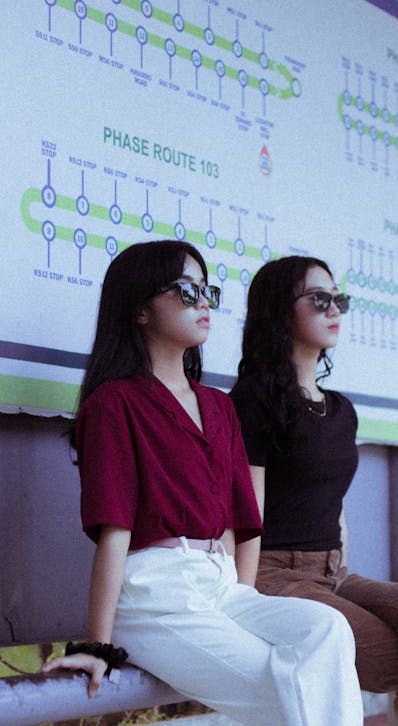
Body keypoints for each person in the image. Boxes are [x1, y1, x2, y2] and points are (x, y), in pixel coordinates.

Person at [41, 240, 363, 726]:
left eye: (207, 291)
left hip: (221, 584)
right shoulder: (114, 403)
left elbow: (239, 523)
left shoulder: (218, 406)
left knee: (327, 629)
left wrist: (242, 603)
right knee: (291, 691)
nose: (203, 304)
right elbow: (115, 532)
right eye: (187, 291)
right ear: (141, 310)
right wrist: (98, 645)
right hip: (155, 596)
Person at [230, 255, 398, 726]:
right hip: (274, 573)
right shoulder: (253, 399)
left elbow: (336, 502)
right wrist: (242, 599)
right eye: (319, 299)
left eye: (339, 300)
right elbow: (244, 506)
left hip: (333, 570)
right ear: (279, 311)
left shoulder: (341, 410)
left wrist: (342, 571)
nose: (334, 311)